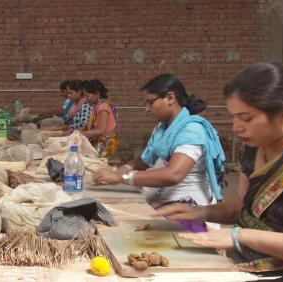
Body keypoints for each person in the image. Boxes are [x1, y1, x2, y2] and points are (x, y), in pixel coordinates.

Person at [158, 62, 283, 280]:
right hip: (253, 265)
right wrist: (201, 212)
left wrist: (238, 236)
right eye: (234, 116)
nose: (236, 127)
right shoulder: (255, 148)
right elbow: (242, 206)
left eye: (247, 118)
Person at [93, 74, 226, 223]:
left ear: (170, 98)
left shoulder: (192, 130)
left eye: (150, 103)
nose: (147, 110)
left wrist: (122, 177)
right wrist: (124, 168)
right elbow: (145, 160)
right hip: (161, 203)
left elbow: (174, 174)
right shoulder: (162, 128)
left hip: (186, 208)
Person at [79, 79, 119, 160]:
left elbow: (101, 130)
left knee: (85, 158)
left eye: (88, 96)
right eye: (85, 96)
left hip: (107, 144)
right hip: (100, 142)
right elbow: (88, 125)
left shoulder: (103, 107)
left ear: (97, 94)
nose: (86, 99)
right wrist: (77, 132)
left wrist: (82, 134)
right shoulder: (96, 105)